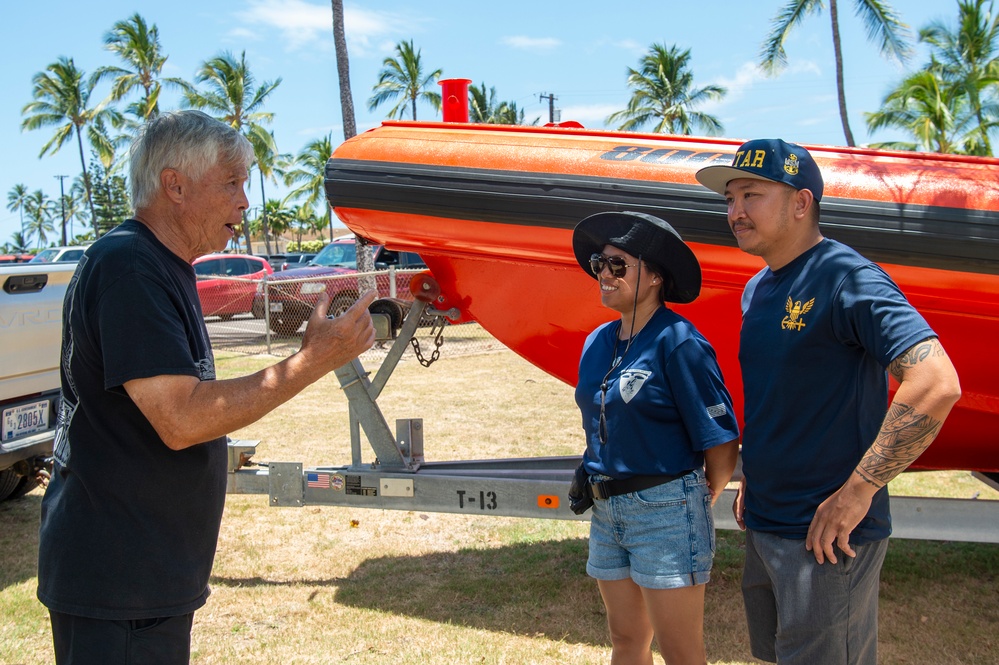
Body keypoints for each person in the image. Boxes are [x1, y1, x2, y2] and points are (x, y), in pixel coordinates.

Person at [36, 110, 377, 664]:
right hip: (119, 583)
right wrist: (313, 361)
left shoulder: (156, 264)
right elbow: (182, 419)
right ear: (174, 185)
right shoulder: (131, 267)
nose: (245, 202)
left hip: (139, 577)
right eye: (231, 183)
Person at [695, 139, 962, 664]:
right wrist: (754, 477)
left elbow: (935, 382)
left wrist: (857, 493)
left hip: (827, 537)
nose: (736, 211)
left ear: (801, 202)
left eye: (751, 194)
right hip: (766, 520)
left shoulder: (846, 277)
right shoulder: (758, 288)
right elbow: (782, 395)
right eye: (729, 198)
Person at [570, 211, 740, 665]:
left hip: (665, 509)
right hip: (606, 507)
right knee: (626, 641)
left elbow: (721, 438)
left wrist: (700, 495)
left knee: (680, 652)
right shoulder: (597, 341)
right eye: (599, 264)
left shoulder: (679, 342)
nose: (604, 274)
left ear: (656, 277)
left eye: (618, 265)